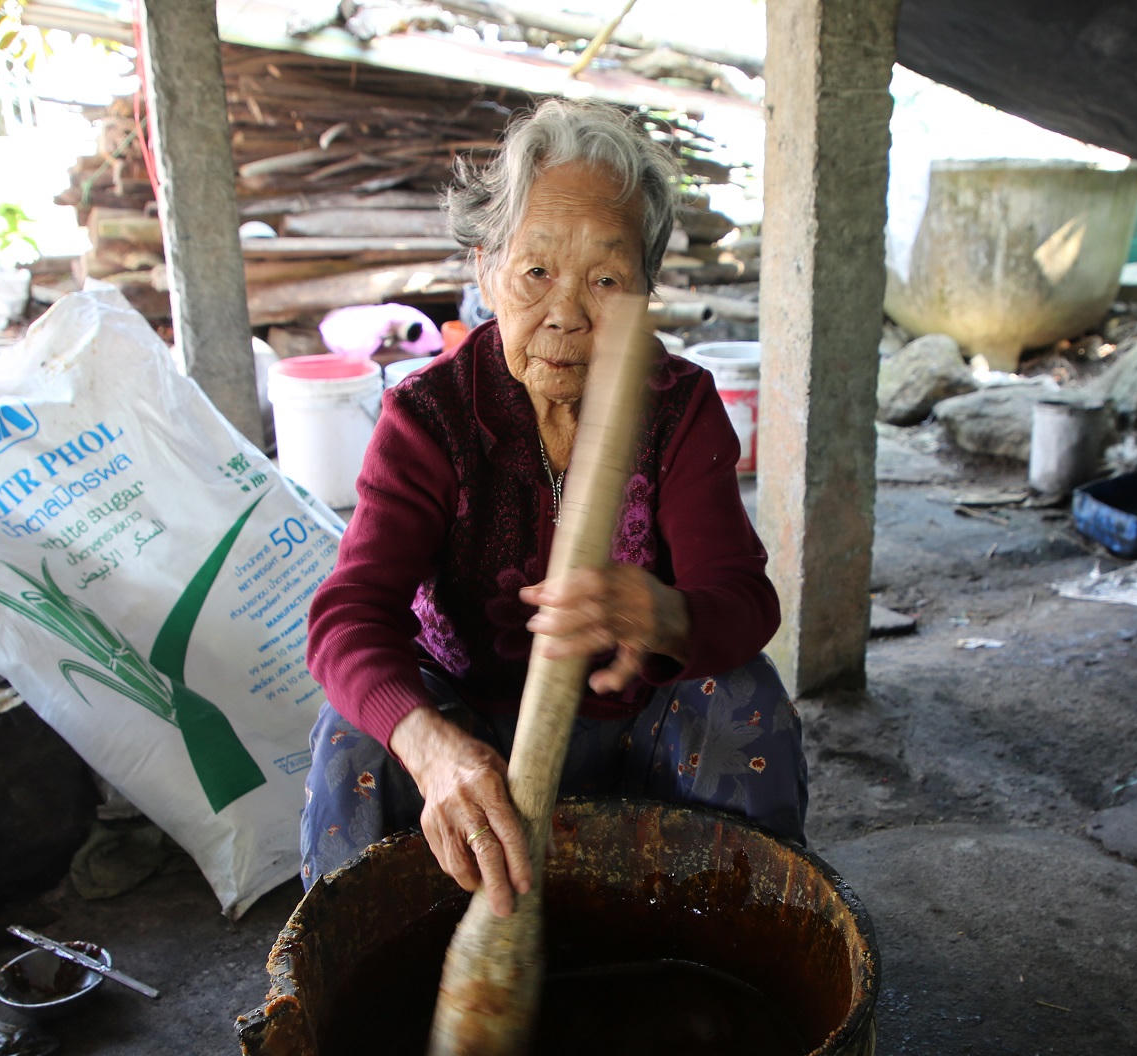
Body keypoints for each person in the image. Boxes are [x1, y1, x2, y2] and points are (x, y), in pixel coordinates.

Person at [300, 99, 806, 916]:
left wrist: (667, 614)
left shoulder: (678, 407)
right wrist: (430, 749)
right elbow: (346, 617)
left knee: (741, 696)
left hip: (639, 732)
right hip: (474, 731)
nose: (567, 313)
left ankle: (743, 948)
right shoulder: (429, 419)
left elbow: (746, 603)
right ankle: (362, 994)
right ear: (487, 269)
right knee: (356, 736)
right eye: (537, 272)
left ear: (645, 289)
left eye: (606, 279)